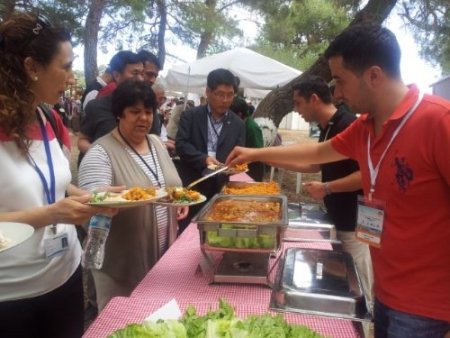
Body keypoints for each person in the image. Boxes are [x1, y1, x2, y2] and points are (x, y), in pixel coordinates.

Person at [226, 23, 450, 338]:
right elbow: (318, 152)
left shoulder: (439, 121)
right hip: (387, 294)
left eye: (341, 81)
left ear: (373, 75)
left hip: (428, 310)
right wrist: (254, 153)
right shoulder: (365, 128)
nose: (338, 93)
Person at [0, 12, 116, 338]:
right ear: (31, 67)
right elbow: (49, 207)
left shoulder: (50, 119)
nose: (71, 77)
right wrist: (50, 215)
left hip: (64, 278)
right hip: (11, 296)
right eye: (65, 67)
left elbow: (56, 188)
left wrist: (95, 198)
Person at [78, 80, 188, 311]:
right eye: (135, 112)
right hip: (121, 266)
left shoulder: (156, 143)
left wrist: (178, 198)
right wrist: (105, 201)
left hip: (162, 258)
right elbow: (89, 206)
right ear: (119, 114)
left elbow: (168, 184)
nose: (144, 118)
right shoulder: (101, 152)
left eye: (148, 112)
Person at [286, 76, 373, 308]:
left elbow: (364, 175)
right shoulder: (328, 127)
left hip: (356, 222)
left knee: (361, 286)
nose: (296, 111)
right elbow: (315, 164)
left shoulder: (346, 125)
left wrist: (326, 188)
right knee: (344, 281)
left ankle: (365, 325)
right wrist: (278, 160)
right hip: (339, 219)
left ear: (313, 99)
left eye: (298, 103)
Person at [176, 68, 245, 232]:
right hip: (193, 184)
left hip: (221, 187)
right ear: (208, 92)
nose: (225, 100)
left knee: (218, 229)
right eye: (220, 94)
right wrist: (203, 159)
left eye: (230, 95)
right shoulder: (191, 116)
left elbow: (240, 152)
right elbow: (181, 145)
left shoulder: (238, 124)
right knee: (188, 230)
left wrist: (234, 166)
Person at [77, 50, 143, 164]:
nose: (140, 79)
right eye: (135, 73)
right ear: (117, 75)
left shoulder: (145, 109)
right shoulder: (96, 106)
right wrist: (106, 157)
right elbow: (82, 141)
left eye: (141, 74)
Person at [229, 96, 265, 181]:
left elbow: (258, 152)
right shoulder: (240, 125)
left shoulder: (252, 128)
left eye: (230, 114)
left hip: (253, 171)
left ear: (239, 114)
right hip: (241, 169)